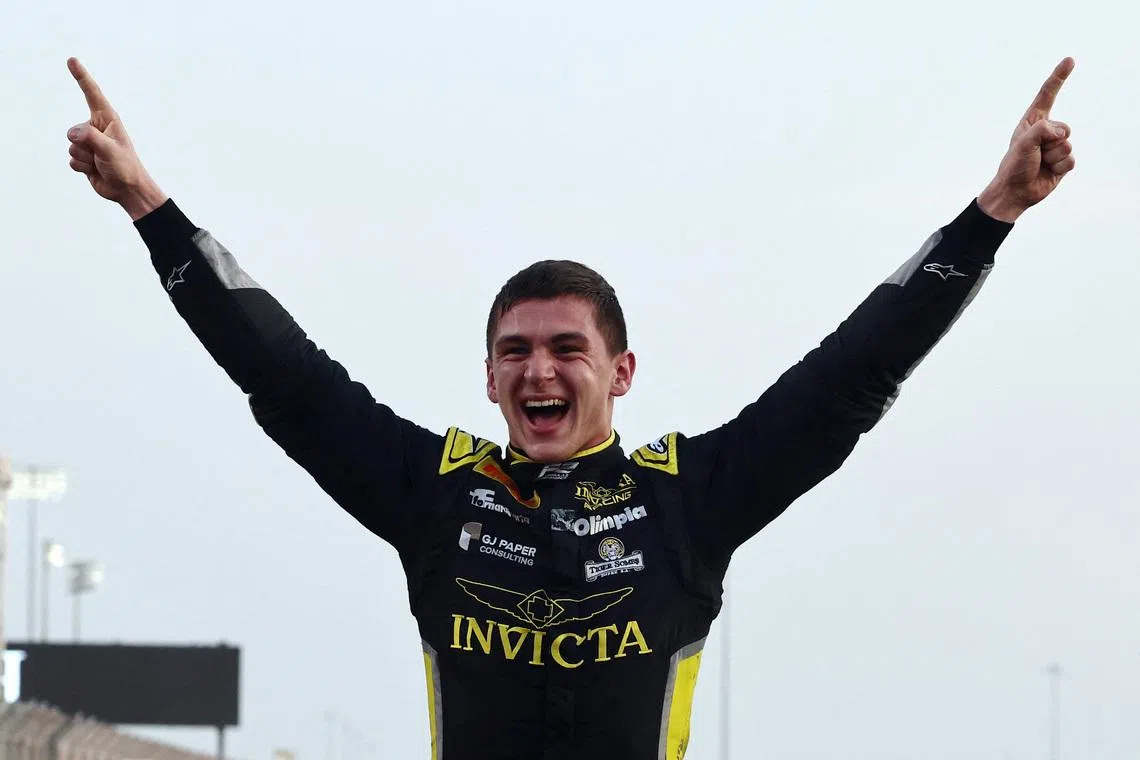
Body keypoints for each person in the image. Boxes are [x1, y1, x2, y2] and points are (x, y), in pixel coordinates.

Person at [64, 55, 1077, 760]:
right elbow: (283, 376)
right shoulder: (436, 494)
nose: (539, 372)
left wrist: (989, 217)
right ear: (489, 376)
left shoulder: (691, 501)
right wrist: (151, 209)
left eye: (565, 349)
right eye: (515, 352)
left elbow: (852, 375)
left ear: (621, 372)